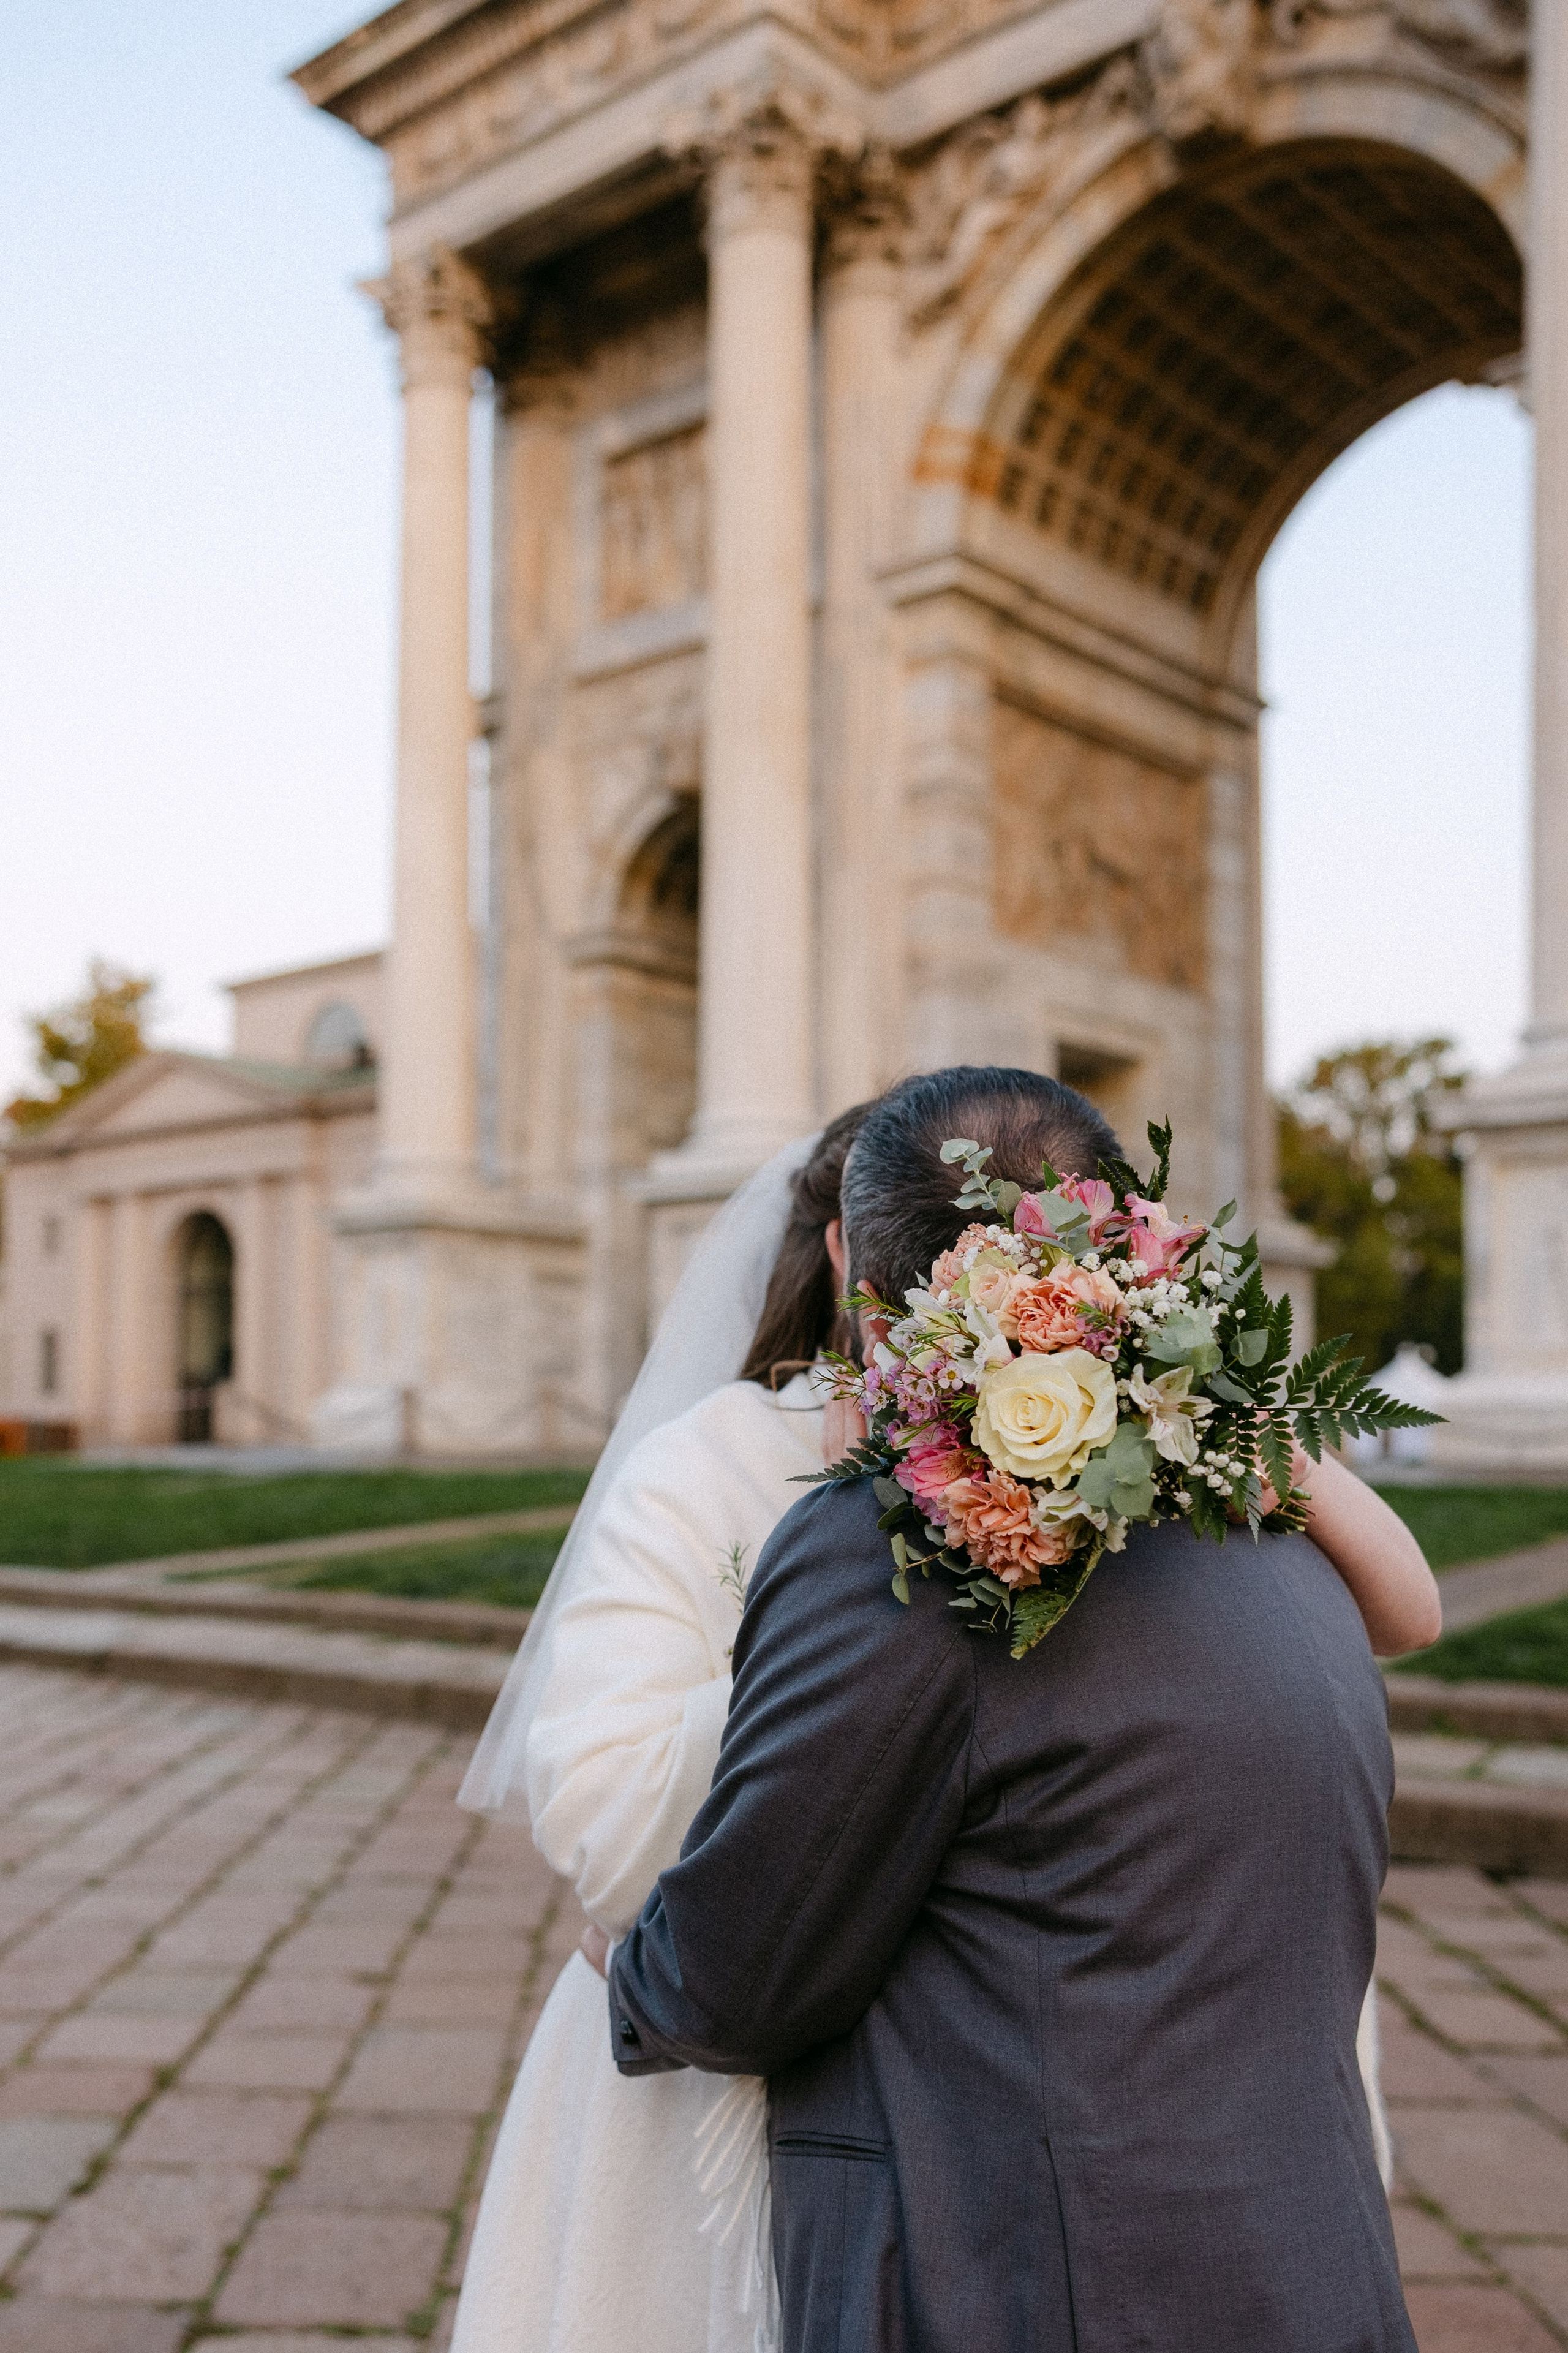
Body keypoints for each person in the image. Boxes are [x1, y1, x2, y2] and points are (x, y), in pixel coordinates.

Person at [608, 1067, 1433, 2353]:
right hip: (1308, 2270)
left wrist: (625, 1964)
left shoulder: (901, 1541)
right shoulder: (1276, 1512)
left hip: (1027, 2288)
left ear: (858, 1287)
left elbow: (737, 1979)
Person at [449, 1105, 873, 2353]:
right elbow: (605, 1822)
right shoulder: (712, 1460)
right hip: (701, 2091)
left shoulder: (1117, 1470)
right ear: (852, 1255)